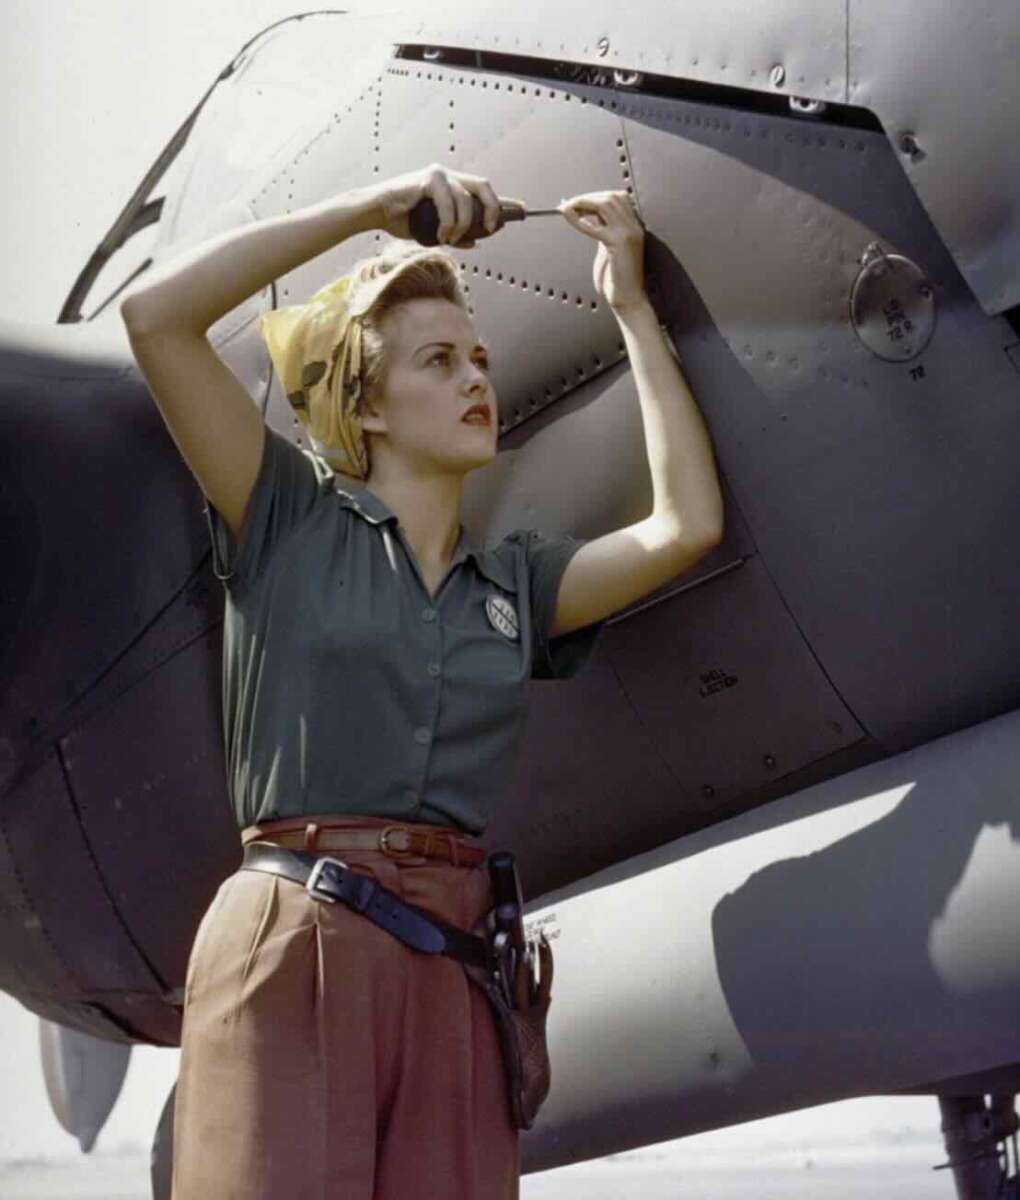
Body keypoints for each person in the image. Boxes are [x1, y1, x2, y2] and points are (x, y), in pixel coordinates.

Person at [120, 163, 724, 1199]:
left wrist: (630, 307)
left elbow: (686, 527)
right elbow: (155, 317)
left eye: (480, 358)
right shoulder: (286, 517)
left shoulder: (514, 588)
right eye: (439, 362)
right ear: (369, 402)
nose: (477, 380)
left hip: (457, 969)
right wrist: (368, 207)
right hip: (296, 941)